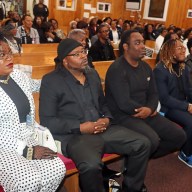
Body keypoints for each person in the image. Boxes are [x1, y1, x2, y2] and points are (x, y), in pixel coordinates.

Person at [39, 38, 151, 192]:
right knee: (91, 166)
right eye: (77, 54)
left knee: (143, 143)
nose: (84, 56)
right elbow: (48, 121)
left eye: (83, 51)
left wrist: (106, 118)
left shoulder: (92, 74)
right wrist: (80, 127)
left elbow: (103, 103)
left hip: (102, 129)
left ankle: (132, 188)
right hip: (76, 136)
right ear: (65, 61)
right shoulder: (51, 81)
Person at [105, 30, 186, 159]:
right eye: (137, 43)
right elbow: (124, 102)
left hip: (146, 111)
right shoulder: (117, 69)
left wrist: (150, 108)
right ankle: (136, 163)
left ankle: (137, 159)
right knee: (152, 140)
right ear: (126, 47)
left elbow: (154, 93)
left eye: (143, 42)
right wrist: (147, 110)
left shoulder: (146, 67)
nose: (143, 46)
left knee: (179, 136)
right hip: (123, 115)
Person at [0, 33, 66, 191]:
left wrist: (63, 75)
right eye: (2, 55)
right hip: (4, 147)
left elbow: (39, 85)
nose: (10, 58)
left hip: (27, 137)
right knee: (28, 180)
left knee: (56, 169)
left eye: (10, 52)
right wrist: (26, 151)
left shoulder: (17, 75)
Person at [153, 39, 192, 167]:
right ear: (170, 51)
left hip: (181, 104)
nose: (183, 50)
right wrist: (187, 106)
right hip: (167, 108)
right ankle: (185, 154)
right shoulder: (160, 70)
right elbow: (164, 98)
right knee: (190, 122)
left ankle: (188, 145)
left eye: (183, 47)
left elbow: (188, 90)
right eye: (179, 48)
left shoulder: (183, 67)